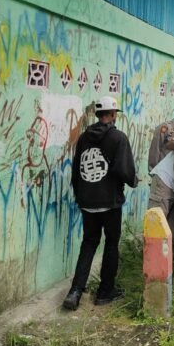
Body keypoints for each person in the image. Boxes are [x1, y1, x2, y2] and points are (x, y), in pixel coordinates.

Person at [64, 96, 138, 311]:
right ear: (113, 114)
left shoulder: (84, 138)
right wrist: (133, 180)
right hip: (109, 201)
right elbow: (124, 169)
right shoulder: (118, 138)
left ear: (98, 114)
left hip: (87, 200)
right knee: (111, 243)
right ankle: (105, 292)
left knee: (89, 243)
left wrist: (80, 195)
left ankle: (75, 291)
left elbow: (77, 169)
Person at [148, 108, 174, 241]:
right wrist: (154, 174)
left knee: (173, 224)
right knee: (158, 219)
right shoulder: (165, 128)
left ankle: (172, 252)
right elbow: (155, 153)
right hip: (163, 179)